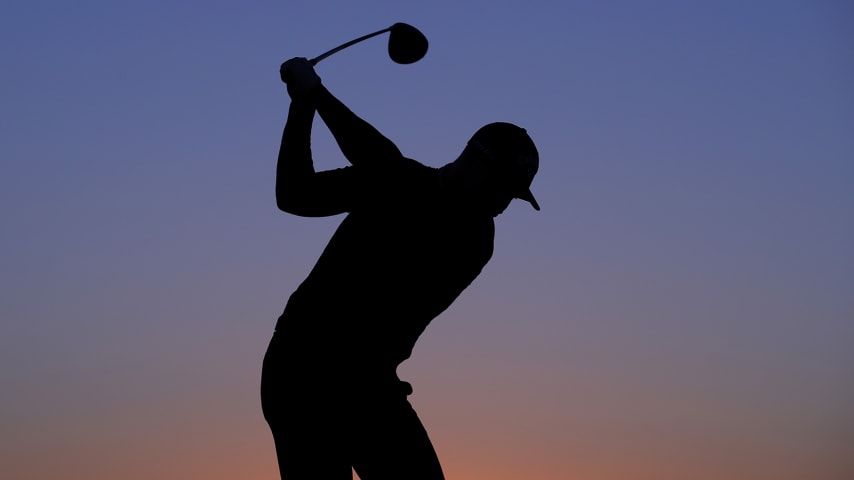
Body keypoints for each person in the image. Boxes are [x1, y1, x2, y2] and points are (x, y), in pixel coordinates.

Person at [261, 57, 540, 480]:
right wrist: (303, 105)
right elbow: (295, 194)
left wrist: (312, 94)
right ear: (472, 161)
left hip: (365, 384)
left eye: (512, 195)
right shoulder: (396, 181)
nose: (502, 203)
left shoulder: (475, 240)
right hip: (302, 371)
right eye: (500, 186)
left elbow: (384, 164)